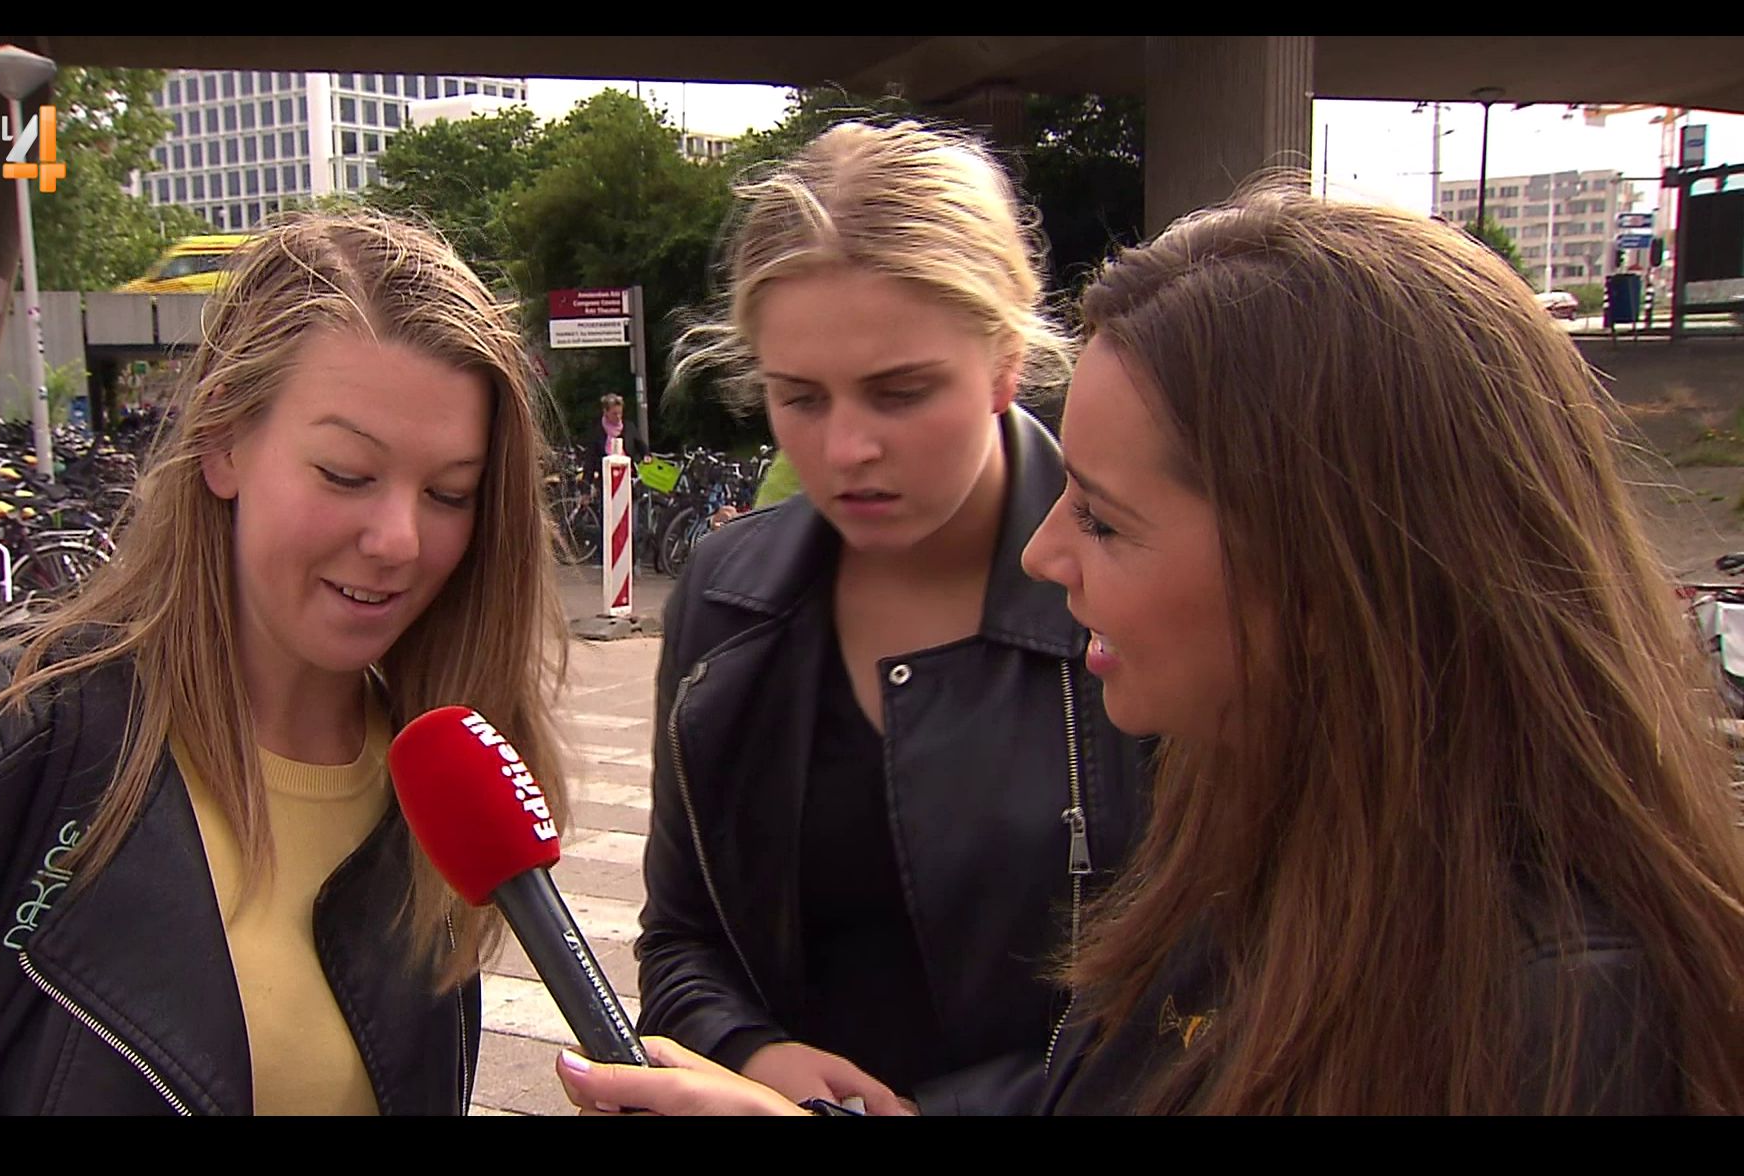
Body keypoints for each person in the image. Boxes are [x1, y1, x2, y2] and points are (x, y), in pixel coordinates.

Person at [559, 180, 1744, 1115]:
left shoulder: (1559, 1009)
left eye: (1108, 518)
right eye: (799, 395)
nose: (1047, 556)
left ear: (1334, 573)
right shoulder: (1278, 817)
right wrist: (757, 1063)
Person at [0, 210, 575, 1115]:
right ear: (222, 441)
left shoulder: (441, 789)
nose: (398, 540)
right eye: (346, 474)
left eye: (449, 494)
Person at [629, 120, 1150, 1117]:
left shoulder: (1139, 589)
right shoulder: (726, 595)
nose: (847, 449)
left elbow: (1208, 999)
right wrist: (748, 1049)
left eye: (900, 393)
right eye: (800, 398)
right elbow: (683, 939)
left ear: (1005, 360)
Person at [582, 392, 646, 486]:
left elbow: (641, 445)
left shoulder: (629, 427)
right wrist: (586, 485)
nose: (618, 417)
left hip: (628, 476)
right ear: (605, 412)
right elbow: (590, 459)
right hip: (606, 479)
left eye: (620, 413)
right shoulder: (597, 431)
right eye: (614, 414)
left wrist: (646, 456)